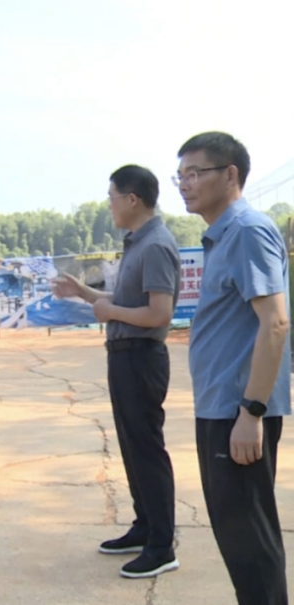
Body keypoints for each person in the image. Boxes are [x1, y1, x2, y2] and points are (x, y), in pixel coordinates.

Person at [177, 132, 291, 605]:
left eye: (195, 173)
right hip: (222, 408)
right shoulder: (224, 236)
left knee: (250, 543)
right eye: (180, 176)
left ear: (230, 175)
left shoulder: (245, 230)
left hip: (238, 410)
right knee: (238, 537)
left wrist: (252, 411)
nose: (185, 184)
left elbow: (276, 322)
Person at [52, 165, 181, 579]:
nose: (109, 205)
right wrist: (83, 292)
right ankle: (145, 526)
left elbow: (159, 313)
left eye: (112, 197)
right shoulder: (137, 243)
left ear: (132, 199)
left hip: (142, 356)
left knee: (146, 448)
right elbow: (121, 302)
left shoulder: (156, 245)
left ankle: (162, 545)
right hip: (125, 355)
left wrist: (109, 312)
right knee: (131, 446)